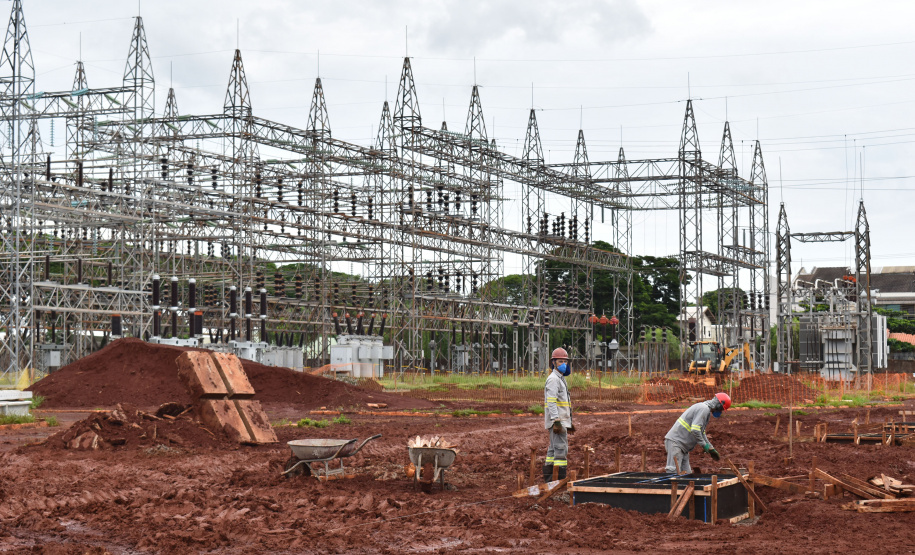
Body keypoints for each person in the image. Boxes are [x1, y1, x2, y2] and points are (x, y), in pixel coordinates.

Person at [664, 392, 731, 474]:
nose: (720, 411)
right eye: (721, 409)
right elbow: (695, 430)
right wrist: (704, 445)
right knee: (673, 471)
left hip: (683, 446)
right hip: (676, 443)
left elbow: (701, 432)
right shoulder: (703, 409)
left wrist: (710, 447)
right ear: (719, 405)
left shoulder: (704, 409)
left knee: (687, 474)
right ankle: (669, 486)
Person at [543, 347, 574, 482]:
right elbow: (551, 402)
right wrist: (556, 420)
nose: (563, 364)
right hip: (557, 421)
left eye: (565, 362)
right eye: (560, 361)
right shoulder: (554, 379)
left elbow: (563, 403)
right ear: (554, 363)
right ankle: (559, 480)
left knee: (553, 449)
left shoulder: (560, 378)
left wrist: (569, 423)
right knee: (560, 449)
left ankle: (550, 479)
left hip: (561, 420)